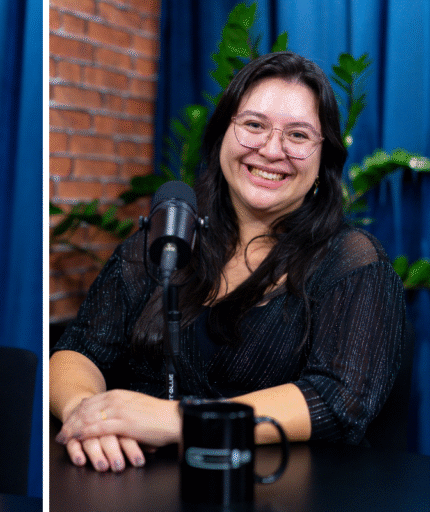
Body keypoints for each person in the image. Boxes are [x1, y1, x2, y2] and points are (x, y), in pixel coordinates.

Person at [50, 52, 405, 473]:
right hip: (129, 482)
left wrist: (178, 420)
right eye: (254, 125)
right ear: (222, 134)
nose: (271, 150)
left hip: (275, 491)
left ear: (323, 158)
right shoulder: (166, 240)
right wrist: (88, 414)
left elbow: (339, 400)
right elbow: (79, 350)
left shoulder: (354, 262)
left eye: (298, 135)